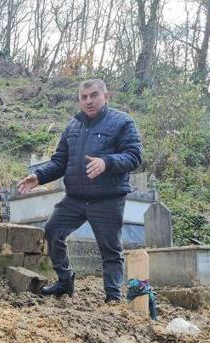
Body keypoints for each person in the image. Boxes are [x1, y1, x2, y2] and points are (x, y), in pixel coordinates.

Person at [16, 78, 143, 302]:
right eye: (84, 97)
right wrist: (39, 176)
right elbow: (60, 161)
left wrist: (107, 163)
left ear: (106, 96)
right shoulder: (73, 127)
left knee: (110, 249)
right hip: (75, 198)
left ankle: (113, 298)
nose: (88, 101)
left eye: (94, 95)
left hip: (107, 198)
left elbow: (134, 156)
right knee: (53, 231)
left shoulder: (122, 122)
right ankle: (65, 281)